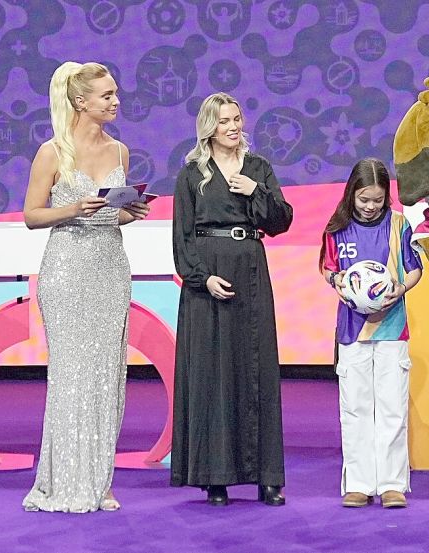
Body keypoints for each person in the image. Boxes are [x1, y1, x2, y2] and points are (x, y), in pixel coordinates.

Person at [21, 61, 151, 512]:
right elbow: (32, 216)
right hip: (67, 270)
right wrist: (75, 208)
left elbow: (108, 214)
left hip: (110, 268)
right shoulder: (52, 152)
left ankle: (100, 478)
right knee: (72, 377)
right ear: (81, 101)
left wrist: (127, 214)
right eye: (107, 95)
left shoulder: (120, 152)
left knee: (107, 376)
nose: (116, 101)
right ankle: (62, 480)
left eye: (115, 94)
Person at [170, 92, 293, 507]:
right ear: (209, 127)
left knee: (255, 368)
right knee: (212, 373)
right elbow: (182, 236)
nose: (234, 126)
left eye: (237, 118)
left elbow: (281, 221)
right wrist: (201, 279)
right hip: (208, 276)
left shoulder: (258, 168)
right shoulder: (191, 175)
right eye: (224, 121)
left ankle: (267, 477)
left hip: (250, 271)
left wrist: (255, 191)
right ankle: (214, 476)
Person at [320, 158, 423, 508]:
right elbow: (328, 269)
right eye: (364, 199)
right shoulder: (337, 228)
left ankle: (393, 484)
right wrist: (342, 284)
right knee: (356, 408)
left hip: (392, 328)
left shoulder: (398, 226)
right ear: (352, 194)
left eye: (377, 200)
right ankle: (359, 483)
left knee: (392, 406)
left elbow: (414, 269)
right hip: (351, 331)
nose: (370, 206)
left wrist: (400, 288)